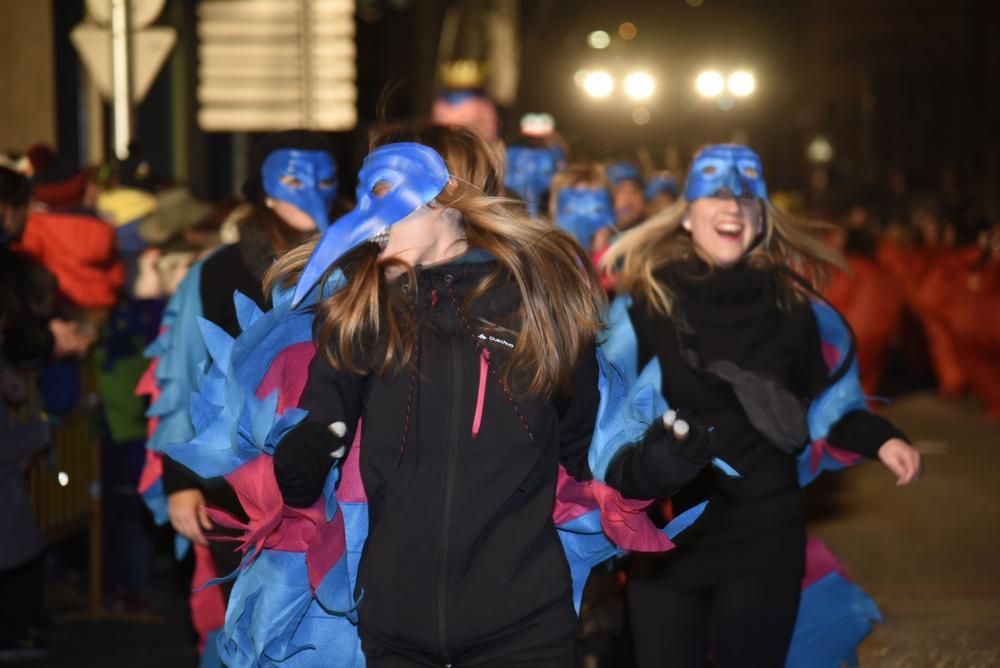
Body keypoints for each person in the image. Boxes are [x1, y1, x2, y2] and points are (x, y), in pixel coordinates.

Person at [264, 122, 709, 667]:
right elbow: (315, 442)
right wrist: (299, 462)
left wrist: (651, 470)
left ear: (448, 199)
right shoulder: (363, 312)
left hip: (524, 633)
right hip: (392, 633)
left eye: (383, 191)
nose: (365, 212)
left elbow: (585, 458)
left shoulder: (539, 311)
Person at [601, 144, 923, 668]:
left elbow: (828, 408)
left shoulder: (792, 308)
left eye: (749, 199)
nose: (733, 207)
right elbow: (606, 415)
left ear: (762, 220)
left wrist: (882, 438)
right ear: (686, 217)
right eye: (716, 196)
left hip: (763, 532)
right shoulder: (643, 305)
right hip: (666, 534)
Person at [137, 130, 337, 662]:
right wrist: (182, 482)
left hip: (339, 478)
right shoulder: (217, 271)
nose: (309, 192)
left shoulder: (360, 263)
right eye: (293, 179)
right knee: (248, 625)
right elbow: (183, 376)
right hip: (240, 486)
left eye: (322, 179)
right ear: (265, 190)